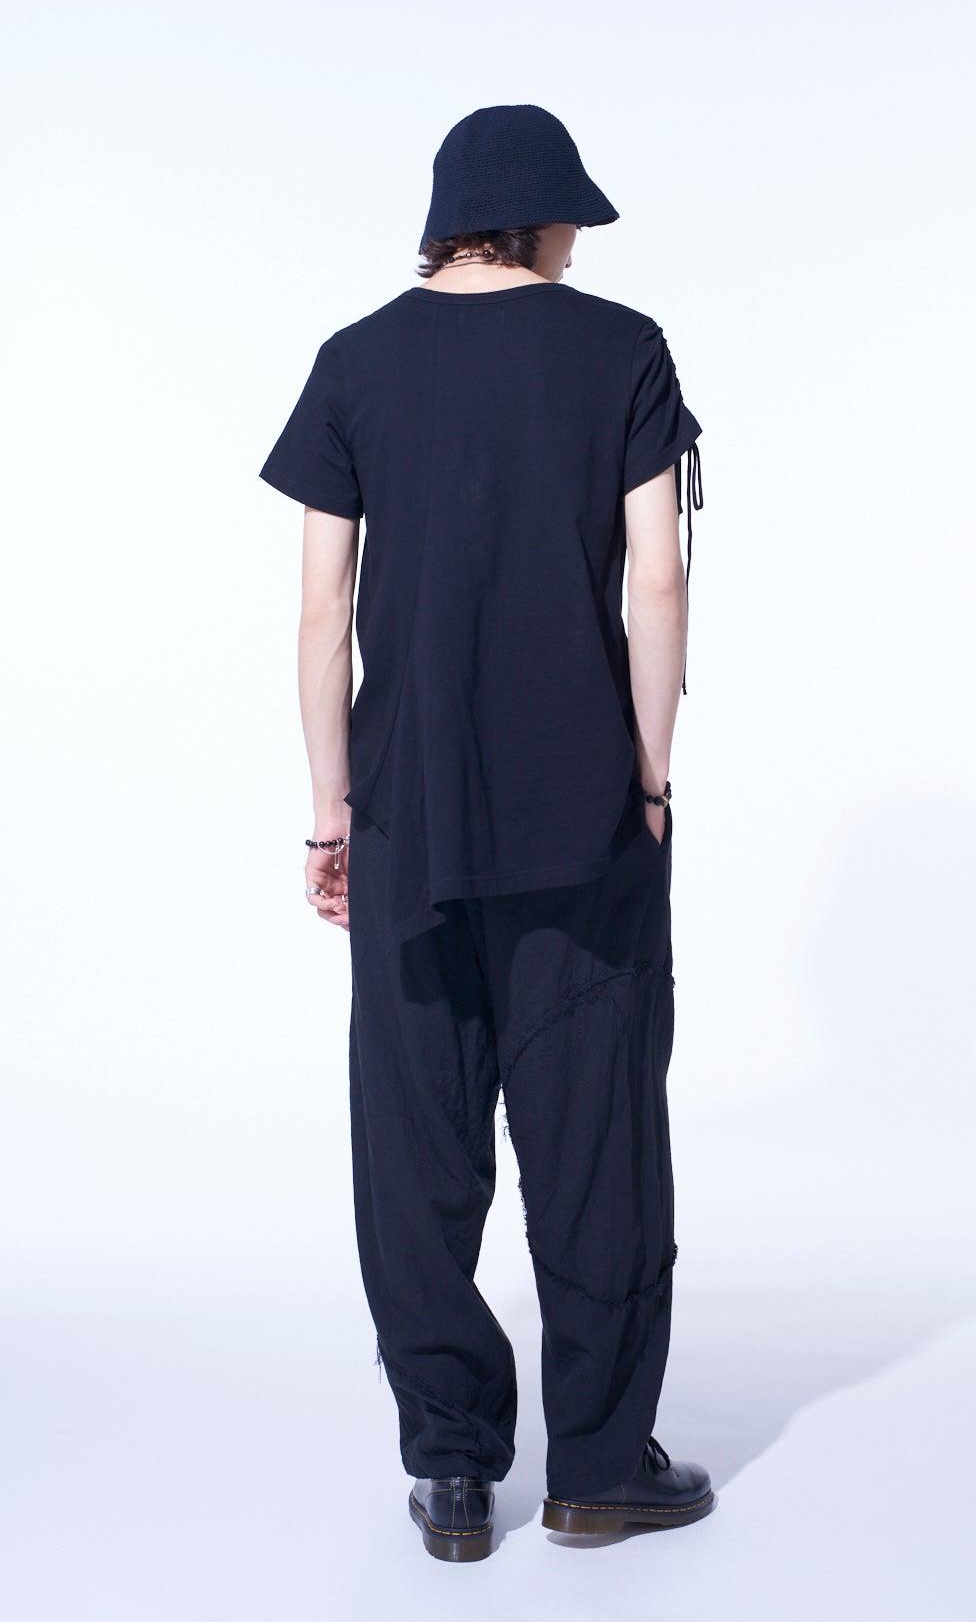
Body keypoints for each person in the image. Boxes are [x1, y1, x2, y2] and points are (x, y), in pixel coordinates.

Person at [258, 103, 711, 1563]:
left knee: (416, 1149)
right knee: (597, 1141)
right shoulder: (620, 349)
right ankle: (597, 1469)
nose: (580, 244)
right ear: (540, 217)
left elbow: (322, 614)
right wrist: (650, 778)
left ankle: (453, 1471)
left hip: (406, 814)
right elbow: (658, 583)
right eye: (574, 220)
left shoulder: (356, 361)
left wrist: (331, 815)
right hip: (583, 817)